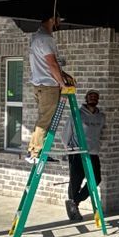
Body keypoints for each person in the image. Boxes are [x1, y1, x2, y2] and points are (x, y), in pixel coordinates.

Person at [26, 13, 74, 165]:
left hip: (40, 85)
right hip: (48, 86)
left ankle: (39, 151)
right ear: (52, 19)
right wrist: (62, 83)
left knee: (45, 119)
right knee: (45, 120)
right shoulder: (46, 39)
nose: (60, 22)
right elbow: (52, 64)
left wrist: (63, 75)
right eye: (59, 19)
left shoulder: (36, 37)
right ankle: (35, 153)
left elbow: (49, 65)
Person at [64, 89, 105, 222]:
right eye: (90, 96)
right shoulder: (77, 114)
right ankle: (73, 211)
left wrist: (98, 144)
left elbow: (100, 133)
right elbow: (66, 133)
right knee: (76, 181)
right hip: (77, 153)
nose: (93, 98)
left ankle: (74, 201)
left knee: (96, 179)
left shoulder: (101, 117)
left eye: (95, 96)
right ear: (86, 99)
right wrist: (69, 149)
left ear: (97, 100)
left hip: (93, 153)